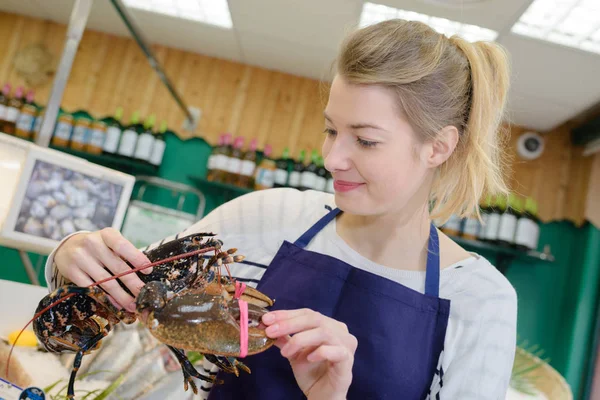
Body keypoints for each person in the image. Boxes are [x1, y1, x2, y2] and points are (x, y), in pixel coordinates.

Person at [44, 19, 517, 399]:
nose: (332, 159)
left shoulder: (479, 300)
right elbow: (112, 291)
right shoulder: (267, 218)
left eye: (366, 140)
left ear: (438, 147)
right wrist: (70, 254)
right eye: (331, 130)